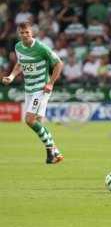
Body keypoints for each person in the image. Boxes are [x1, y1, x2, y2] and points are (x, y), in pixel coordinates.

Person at [1, 22, 64, 164]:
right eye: (22, 33)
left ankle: (50, 152)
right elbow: (20, 63)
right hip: (29, 88)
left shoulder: (41, 48)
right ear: (19, 33)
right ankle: (56, 152)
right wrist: (11, 76)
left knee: (29, 120)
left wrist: (50, 83)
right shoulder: (18, 47)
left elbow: (59, 63)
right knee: (39, 123)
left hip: (41, 88)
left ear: (32, 33)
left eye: (27, 32)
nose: (25, 35)